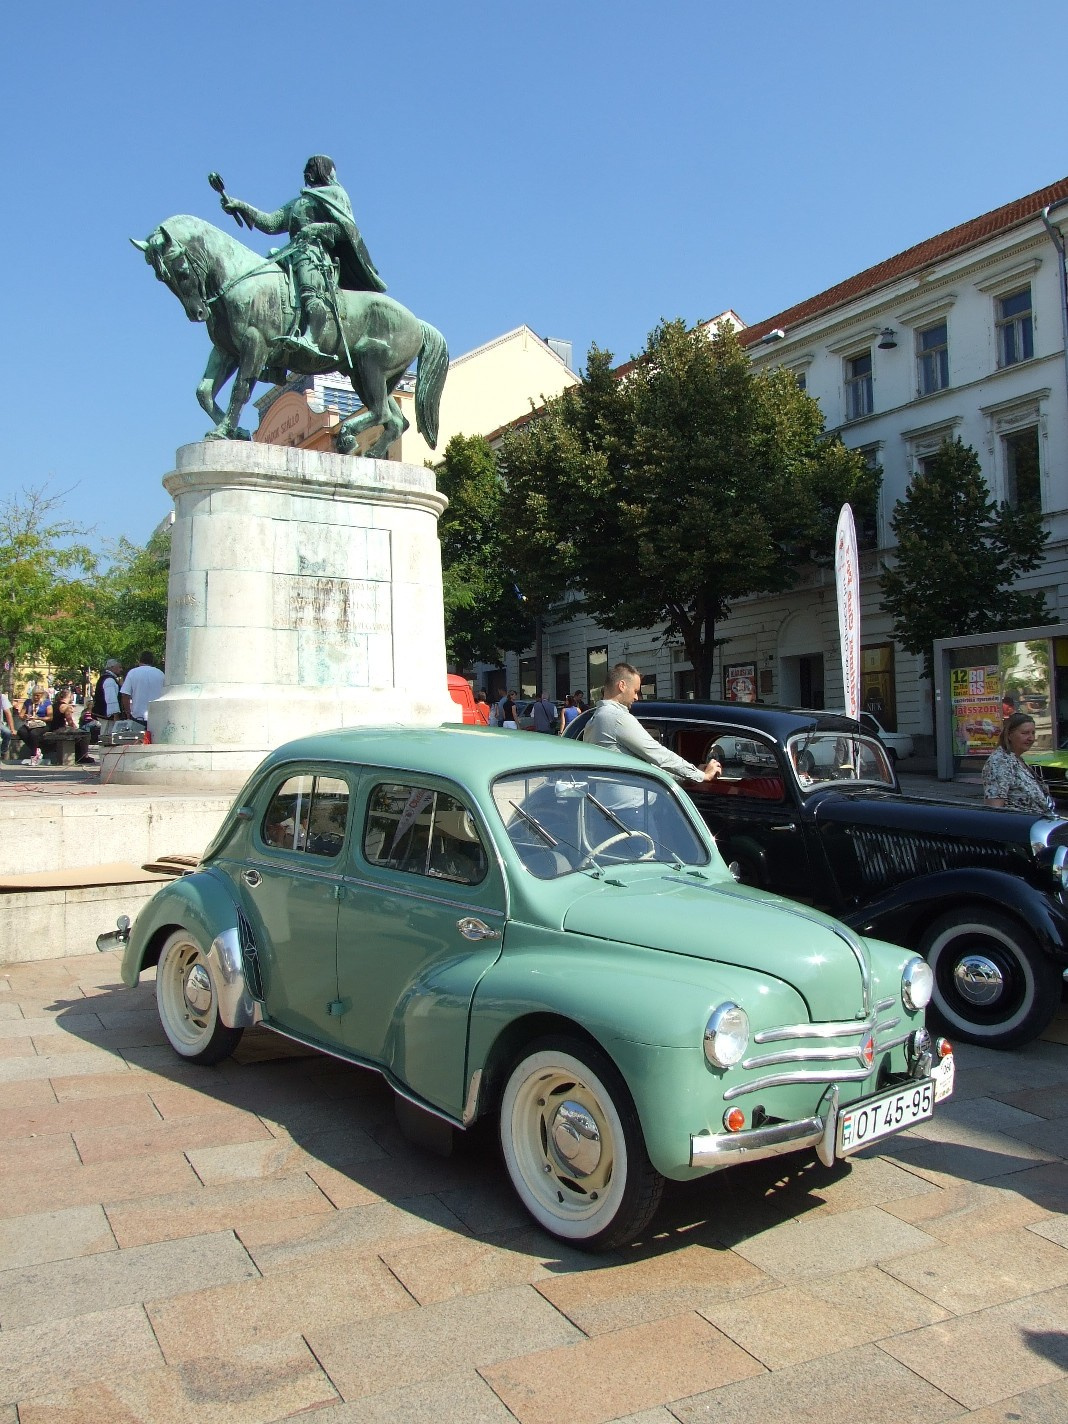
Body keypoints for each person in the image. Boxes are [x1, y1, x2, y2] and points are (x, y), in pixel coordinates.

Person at [219, 155, 386, 363]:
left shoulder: (336, 194)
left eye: (312, 167)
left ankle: (312, 339)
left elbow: (349, 230)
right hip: (290, 254)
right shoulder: (300, 201)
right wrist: (240, 206)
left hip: (314, 255)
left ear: (321, 170)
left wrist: (318, 228)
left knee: (310, 292)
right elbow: (271, 222)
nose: (307, 172)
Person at [583, 663, 723, 787]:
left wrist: (689, 774)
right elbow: (658, 755)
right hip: (629, 807)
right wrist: (701, 776)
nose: (636, 697)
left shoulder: (593, 720)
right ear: (622, 686)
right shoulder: (618, 718)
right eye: (636, 691)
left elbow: (645, 764)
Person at [983, 712, 1055, 814]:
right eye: (1025, 733)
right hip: (1019, 826)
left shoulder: (1017, 759)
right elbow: (994, 809)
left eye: (1033, 733)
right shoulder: (1000, 761)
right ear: (1009, 735)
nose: (1031, 738)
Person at [120, 652, 165, 730]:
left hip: (138, 716)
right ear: (152, 661)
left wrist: (127, 712)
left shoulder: (132, 673)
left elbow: (125, 695)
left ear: (139, 661)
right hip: (157, 716)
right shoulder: (160, 674)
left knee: (138, 740)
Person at [91, 659, 123, 741]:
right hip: (107, 715)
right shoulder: (109, 680)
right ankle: (105, 753)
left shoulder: (106, 678)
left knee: (106, 736)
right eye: (119, 667)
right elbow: (111, 699)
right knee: (107, 736)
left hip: (106, 714)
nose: (121, 669)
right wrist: (115, 715)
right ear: (112, 667)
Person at [0, 692, 14, 762]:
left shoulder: (2, 697)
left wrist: (12, 729)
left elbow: (8, 713)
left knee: (7, 733)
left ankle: (2, 752)